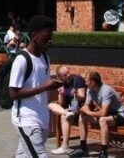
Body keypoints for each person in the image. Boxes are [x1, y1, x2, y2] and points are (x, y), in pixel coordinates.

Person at [9, 15, 63, 158]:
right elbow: (13, 93)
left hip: (42, 118)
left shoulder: (45, 57)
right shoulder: (22, 60)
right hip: (26, 120)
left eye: (51, 35)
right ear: (34, 36)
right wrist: (45, 87)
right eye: (46, 35)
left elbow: (44, 88)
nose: (50, 39)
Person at [77, 71, 124, 158]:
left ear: (92, 82)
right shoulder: (90, 90)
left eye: (86, 81)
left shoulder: (106, 91)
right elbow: (86, 106)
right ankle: (83, 148)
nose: (85, 83)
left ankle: (104, 152)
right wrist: (82, 110)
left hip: (119, 115)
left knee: (102, 120)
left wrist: (89, 112)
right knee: (82, 117)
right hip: (107, 114)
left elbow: (103, 112)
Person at [48, 66, 88, 155]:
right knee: (50, 104)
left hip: (79, 108)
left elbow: (83, 97)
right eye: (65, 75)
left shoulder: (78, 80)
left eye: (68, 72)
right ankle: (67, 113)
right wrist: (61, 94)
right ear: (60, 77)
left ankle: (65, 146)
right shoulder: (62, 84)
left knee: (63, 117)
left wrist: (75, 94)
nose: (68, 75)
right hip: (69, 109)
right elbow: (61, 103)